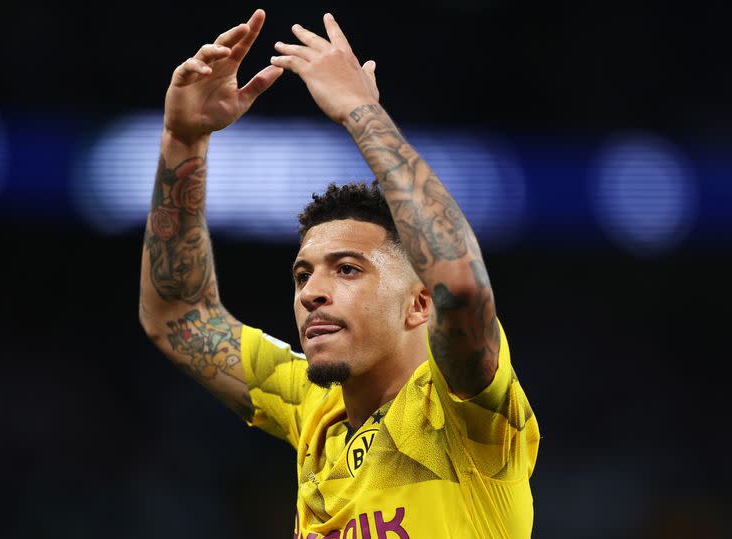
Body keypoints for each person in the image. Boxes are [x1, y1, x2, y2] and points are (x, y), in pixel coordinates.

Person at [139, 8, 540, 538]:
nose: (312, 294)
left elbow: (460, 285)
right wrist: (183, 138)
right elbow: (178, 315)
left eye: (347, 270)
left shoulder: (462, 413)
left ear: (419, 303)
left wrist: (360, 110)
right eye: (302, 276)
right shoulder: (313, 406)